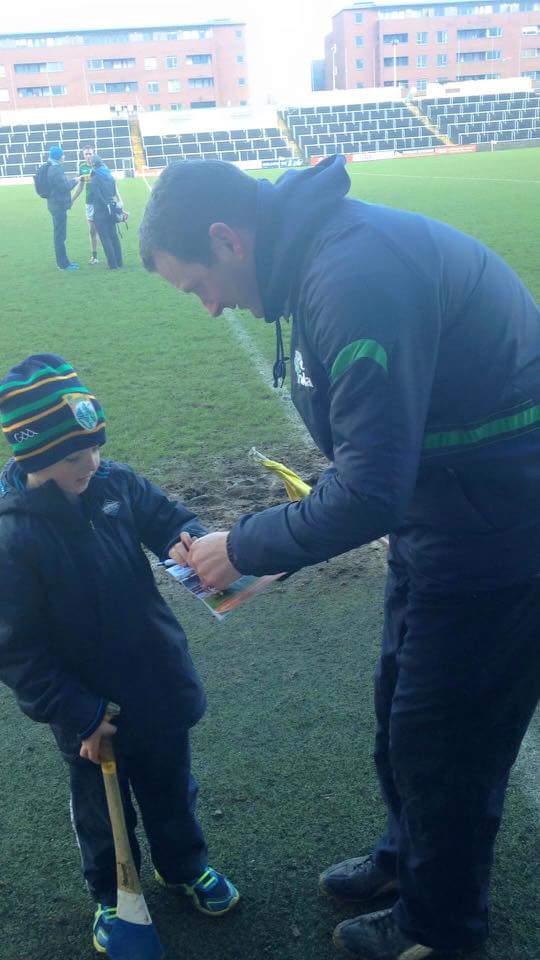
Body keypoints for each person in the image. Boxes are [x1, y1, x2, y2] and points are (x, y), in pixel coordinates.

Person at [139, 157, 540, 960]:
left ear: (228, 238)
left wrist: (246, 546)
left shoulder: (353, 275)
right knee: (401, 715)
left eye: (197, 286)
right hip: (446, 514)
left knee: (443, 744)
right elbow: (374, 452)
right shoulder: (320, 258)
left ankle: (442, 929)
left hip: (499, 536)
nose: (212, 307)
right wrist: (277, 538)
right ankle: (407, 863)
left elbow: (370, 491)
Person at [0, 354, 239, 956]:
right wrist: (78, 712)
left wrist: (186, 540)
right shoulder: (13, 536)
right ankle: (112, 894)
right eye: (74, 458)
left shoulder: (114, 483)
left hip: (155, 680)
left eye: (95, 451)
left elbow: (164, 518)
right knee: (102, 815)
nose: (91, 465)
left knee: (171, 787)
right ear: (33, 457)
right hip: (90, 709)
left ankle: (183, 866)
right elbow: (16, 649)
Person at [45, 144, 80, 271]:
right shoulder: (56, 169)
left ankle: (63, 262)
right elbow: (64, 187)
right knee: (60, 236)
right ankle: (63, 264)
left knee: (59, 235)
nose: (64, 156)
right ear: (58, 156)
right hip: (58, 206)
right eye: (63, 154)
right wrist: (75, 180)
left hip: (53, 205)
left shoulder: (50, 167)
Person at [87, 155, 124, 269]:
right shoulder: (109, 173)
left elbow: (96, 195)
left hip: (100, 210)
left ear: (93, 165)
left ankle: (112, 264)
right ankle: (119, 262)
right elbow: (113, 191)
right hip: (111, 207)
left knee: (105, 238)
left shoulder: (94, 176)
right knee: (114, 236)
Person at [72, 145, 99, 264]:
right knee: (92, 230)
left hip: (101, 202)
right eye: (86, 154)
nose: (88, 156)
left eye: (90, 153)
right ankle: (94, 256)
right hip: (89, 203)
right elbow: (80, 186)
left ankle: (112, 255)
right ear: (83, 156)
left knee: (105, 229)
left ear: (93, 154)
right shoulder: (82, 168)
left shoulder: (99, 166)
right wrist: (71, 200)